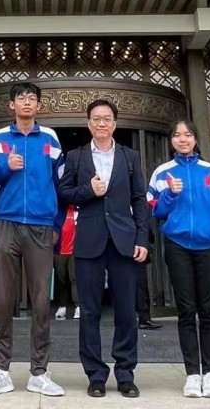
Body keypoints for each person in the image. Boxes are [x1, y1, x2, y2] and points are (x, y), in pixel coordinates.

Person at [0, 82, 66, 398]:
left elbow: (62, 185)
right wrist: (5, 167)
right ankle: (1, 371)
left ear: (39, 106)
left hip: (41, 226)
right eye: (21, 98)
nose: (27, 102)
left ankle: (39, 371)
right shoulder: (0, 138)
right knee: (3, 299)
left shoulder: (50, 139)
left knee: (41, 301)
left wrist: (56, 225)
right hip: (7, 224)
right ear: (11, 105)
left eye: (32, 98)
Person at [57, 99, 149, 399]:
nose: (101, 123)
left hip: (124, 241)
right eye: (96, 118)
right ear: (88, 124)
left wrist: (142, 238)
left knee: (126, 310)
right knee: (90, 311)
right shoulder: (76, 157)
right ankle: (95, 375)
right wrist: (89, 191)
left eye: (107, 118)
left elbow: (139, 200)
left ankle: (125, 373)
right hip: (89, 240)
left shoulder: (130, 156)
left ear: (114, 123)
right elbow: (63, 193)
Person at [147, 119, 210, 399]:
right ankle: (193, 373)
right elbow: (154, 210)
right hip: (178, 246)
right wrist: (170, 194)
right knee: (186, 311)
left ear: (195, 139)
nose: (183, 139)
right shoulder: (162, 173)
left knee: (208, 311)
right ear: (171, 140)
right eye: (177, 135)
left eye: (188, 135)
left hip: (209, 247)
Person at [53, 204, 79, 321]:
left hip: (74, 251)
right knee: (61, 279)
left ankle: (78, 306)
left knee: (74, 278)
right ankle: (62, 306)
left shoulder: (77, 211)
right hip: (59, 251)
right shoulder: (58, 211)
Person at [135, 231, 161, 330]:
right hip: (134, 245)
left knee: (141, 284)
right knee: (140, 284)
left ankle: (144, 317)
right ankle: (144, 317)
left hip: (135, 245)